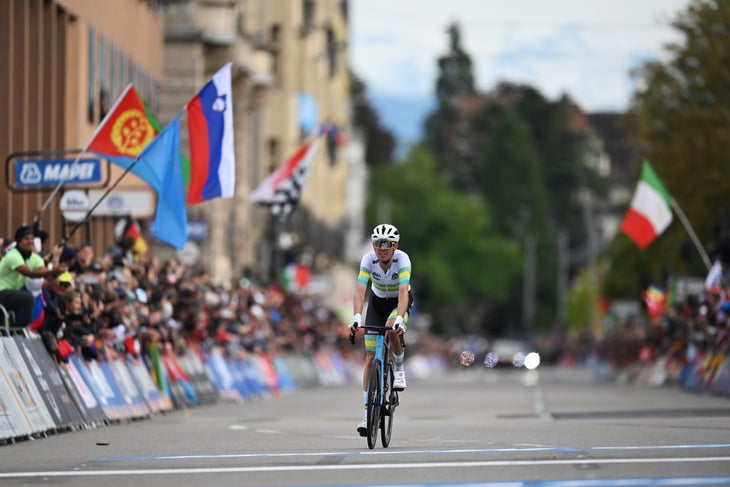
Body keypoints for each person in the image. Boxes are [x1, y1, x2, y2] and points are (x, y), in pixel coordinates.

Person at [350, 223, 413, 436]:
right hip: (377, 302)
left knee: (391, 328)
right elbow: (360, 290)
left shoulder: (402, 260)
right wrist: (357, 317)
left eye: (386, 244)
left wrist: (400, 320)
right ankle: (367, 415)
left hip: (399, 301)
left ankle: (398, 365)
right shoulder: (368, 260)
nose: (382, 248)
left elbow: (404, 291)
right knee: (369, 357)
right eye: (378, 244)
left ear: (394, 246)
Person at [0, 225, 66, 328]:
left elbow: (48, 277)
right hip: (2, 292)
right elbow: (29, 273)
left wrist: (57, 272)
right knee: (27, 298)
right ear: (19, 241)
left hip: (10, 294)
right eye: (26, 239)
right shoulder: (13, 255)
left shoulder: (35, 258)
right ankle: (20, 330)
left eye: (32, 238)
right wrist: (53, 270)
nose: (30, 241)